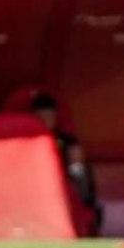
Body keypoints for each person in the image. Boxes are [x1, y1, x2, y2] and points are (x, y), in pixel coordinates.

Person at [30, 93, 102, 235]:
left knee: (79, 167)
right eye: (41, 118)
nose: (45, 122)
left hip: (63, 182)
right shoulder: (27, 140)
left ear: (55, 117)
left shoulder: (66, 140)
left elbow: (76, 164)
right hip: (35, 182)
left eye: (49, 118)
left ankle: (84, 209)